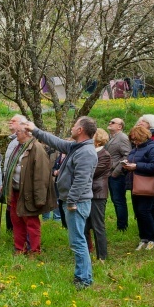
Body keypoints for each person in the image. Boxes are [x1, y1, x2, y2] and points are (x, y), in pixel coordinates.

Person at [28, 117, 99, 287]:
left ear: (81, 130)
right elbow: (56, 141)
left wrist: (72, 201)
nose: (72, 128)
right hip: (73, 201)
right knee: (77, 240)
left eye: (74, 125)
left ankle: (84, 279)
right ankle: (83, 276)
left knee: (78, 242)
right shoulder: (76, 147)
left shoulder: (86, 152)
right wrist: (35, 130)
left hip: (77, 203)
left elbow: (81, 180)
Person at [0, 116, 57, 254]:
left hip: (28, 192)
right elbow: (10, 169)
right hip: (15, 191)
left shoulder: (37, 148)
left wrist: (39, 197)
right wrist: (5, 184)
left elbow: (42, 176)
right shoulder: (17, 147)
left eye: (18, 132)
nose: (15, 135)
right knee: (16, 220)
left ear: (27, 132)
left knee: (31, 222)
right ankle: (19, 248)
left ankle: (34, 250)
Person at [124, 124, 154, 250]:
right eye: (133, 139)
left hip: (148, 183)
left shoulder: (153, 147)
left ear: (143, 137)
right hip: (135, 183)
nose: (135, 142)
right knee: (139, 211)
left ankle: (152, 238)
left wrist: (136, 166)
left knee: (144, 211)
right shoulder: (135, 148)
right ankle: (144, 238)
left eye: (137, 139)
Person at [105, 117, 132, 231]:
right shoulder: (111, 137)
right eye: (109, 121)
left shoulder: (122, 138)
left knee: (118, 200)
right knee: (115, 201)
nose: (109, 123)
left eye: (113, 122)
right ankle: (121, 225)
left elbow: (127, 155)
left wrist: (116, 172)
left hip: (117, 175)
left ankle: (122, 227)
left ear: (119, 126)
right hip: (109, 175)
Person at [89, 128, 111, 261]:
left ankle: (102, 256)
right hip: (87, 193)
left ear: (97, 140)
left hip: (98, 193)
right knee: (85, 225)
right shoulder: (91, 153)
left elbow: (93, 172)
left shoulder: (104, 155)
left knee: (98, 225)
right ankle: (86, 252)